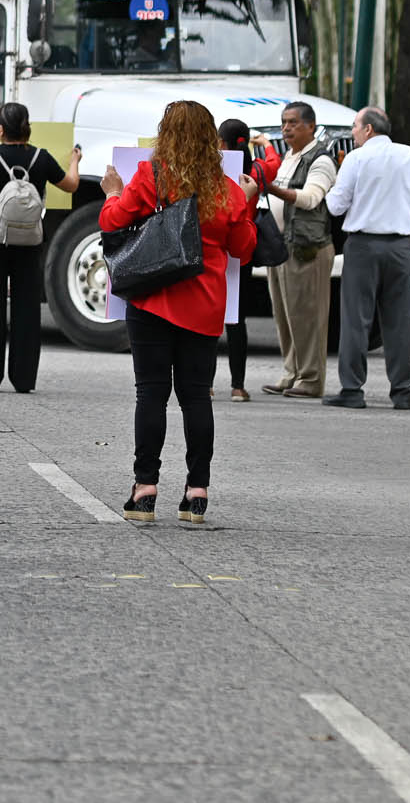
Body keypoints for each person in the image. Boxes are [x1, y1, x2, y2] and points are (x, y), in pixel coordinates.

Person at [97, 100, 258, 525]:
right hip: (204, 305)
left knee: (151, 393)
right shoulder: (229, 190)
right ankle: (197, 492)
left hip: (153, 300)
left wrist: (113, 191)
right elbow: (243, 248)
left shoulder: (152, 177)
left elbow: (113, 220)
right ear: (211, 139)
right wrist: (250, 203)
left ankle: (145, 488)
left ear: (166, 134)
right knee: (195, 397)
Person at [0, 103, 80, 393]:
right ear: (27, 128)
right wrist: (74, 159)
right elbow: (71, 185)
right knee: (27, 309)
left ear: (0, 130)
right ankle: (23, 379)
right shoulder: (41, 158)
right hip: (30, 241)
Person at [322, 106, 410, 410]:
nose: (352, 132)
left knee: (355, 319)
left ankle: (352, 389)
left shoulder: (356, 158)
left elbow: (336, 206)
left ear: (368, 130)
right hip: (400, 247)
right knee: (400, 320)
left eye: (355, 126)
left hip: (362, 246)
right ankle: (403, 389)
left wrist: (329, 188)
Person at [254, 104, 340, 401]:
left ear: (311, 126)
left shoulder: (321, 160)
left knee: (308, 316)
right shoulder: (290, 157)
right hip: (281, 246)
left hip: (307, 249)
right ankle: (292, 372)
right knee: (285, 315)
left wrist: (271, 189)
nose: (287, 128)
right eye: (283, 123)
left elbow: (310, 198)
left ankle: (311, 379)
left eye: (293, 123)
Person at [215, 119, 267, 402]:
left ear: (221, 143)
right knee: (237, 320)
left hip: (219, 247)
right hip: (244, 250)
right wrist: (267, 146)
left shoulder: (217, 170)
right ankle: (238, 386)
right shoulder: (256, 170)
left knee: (211, 316)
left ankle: (207, 384)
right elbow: (273, 163)